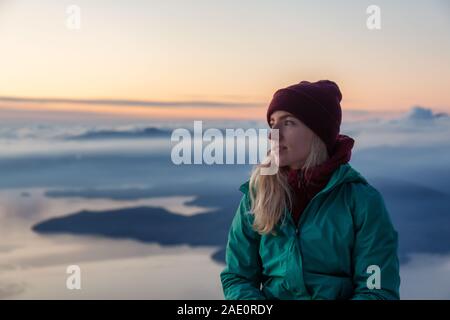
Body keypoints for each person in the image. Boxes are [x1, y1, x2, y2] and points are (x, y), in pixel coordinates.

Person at [220, 80, 400, 300]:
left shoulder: (362, 203)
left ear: (318, 133)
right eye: (272, 123)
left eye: (288, 123)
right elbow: (238, 277)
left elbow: (377, 289)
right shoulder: (257, 195)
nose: (273, 134)